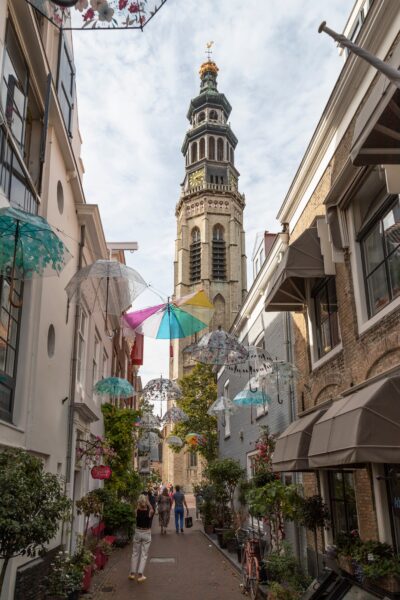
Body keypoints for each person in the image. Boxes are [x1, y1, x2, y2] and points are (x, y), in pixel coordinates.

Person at [129, 494, 154, 583]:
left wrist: (139, 503)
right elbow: (152, 509)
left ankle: (132, 574)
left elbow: (136, 510)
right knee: (144, 554)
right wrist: (148, 503)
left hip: (138, 532)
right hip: (146, 533)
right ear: (145, 502)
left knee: (135, 553)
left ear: (139, 502)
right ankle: (140, 575)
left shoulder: (136, 511)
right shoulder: (149, 511)